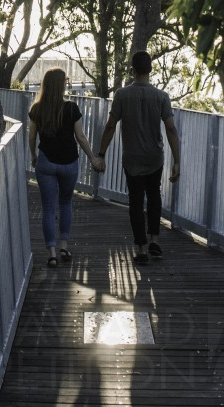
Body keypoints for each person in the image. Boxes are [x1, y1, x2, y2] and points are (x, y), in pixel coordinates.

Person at [96, 50, 180, 264]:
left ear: (132, 70)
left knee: (135, 202)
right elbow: (170, 129)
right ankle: (155, 241)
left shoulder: (122, 95)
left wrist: (101, 153)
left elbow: (110, 125)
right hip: (155, 158)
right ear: (150, 70)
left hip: (132, 158)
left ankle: (141, 250)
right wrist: (177, 161)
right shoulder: (161, 97)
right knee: (154, 197)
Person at [28, 67, 105, 267]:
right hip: (69, 164)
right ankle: (64, 246)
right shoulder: (72, 108)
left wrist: (34, 156)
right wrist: (93, 158)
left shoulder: (37, 109)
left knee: (47, 207)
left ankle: (51, 253)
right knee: (64, 204)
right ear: (61, 85)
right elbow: (80, 137)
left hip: (46, 163)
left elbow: (31, 137)